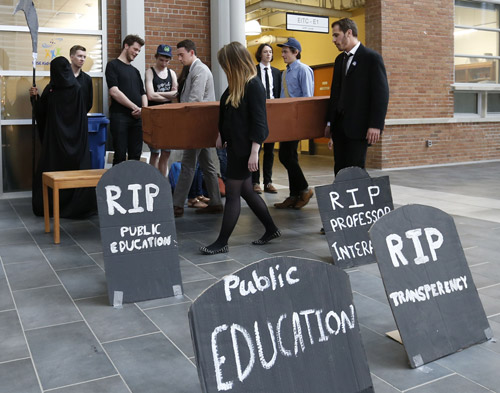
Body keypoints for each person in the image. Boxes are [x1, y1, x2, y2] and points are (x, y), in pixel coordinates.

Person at [200, 42, 280, 255]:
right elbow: (226, 114)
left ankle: (222, 241)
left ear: (234, 63)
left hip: (245, 150)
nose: (224, 68)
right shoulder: (235, 86)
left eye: (225, 64)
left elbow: (260, 123)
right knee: (247, 192)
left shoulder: (254, 85)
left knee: (234, 194)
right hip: (235, 147)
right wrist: (220, 134)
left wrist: (255, 151)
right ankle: (271, 229)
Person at [30, 56, 96, 217]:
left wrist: (35, 98)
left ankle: (52, 206)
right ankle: (75, 207)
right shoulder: (77, 88)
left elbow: (42, 112)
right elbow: (83, 114)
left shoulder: (51, 89)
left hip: (55, 144)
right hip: (77, 143)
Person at [325, 18, 389, 175]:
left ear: (349, 33)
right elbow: (335, 93)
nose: (334, 40)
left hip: (359, 128)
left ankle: (359, 199)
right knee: (339, 169)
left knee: (356, 171)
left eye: (336, 35)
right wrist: (329, 122)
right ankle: (344, 199)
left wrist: (376, 125)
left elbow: (381, 94)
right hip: (339, 128)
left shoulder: (371, 58)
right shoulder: (340, 60)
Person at [172, 39, 222, 218]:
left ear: (192, 53)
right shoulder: (192, 70)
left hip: (197, 125)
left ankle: (177, 205)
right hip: (201, 125)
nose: (179, 58)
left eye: (181, 54)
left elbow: (194, 100)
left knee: (187, 165)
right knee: (207, 165)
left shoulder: (199, 70)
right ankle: (215, 202)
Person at [274, 37, 315, 210]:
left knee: (285, 156)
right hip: (286, 120)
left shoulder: (303, 70)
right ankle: (294, 194)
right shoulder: (285, 72)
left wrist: (303, 123)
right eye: (282, 51)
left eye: (285, 51)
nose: (282, 55)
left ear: (295, 52)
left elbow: (307, 98)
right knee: (290, 156)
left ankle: (305, 189)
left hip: (296, 120)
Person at [105, 34, 147, 166]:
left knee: (136, 156)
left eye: (139, 51)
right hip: (120, 118)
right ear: (126, 46)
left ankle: (134, 185)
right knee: (120, 156)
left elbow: (143, 93)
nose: (137, 53)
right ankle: (117, 185)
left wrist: (143, 110)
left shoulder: (135, 71)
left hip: (137, 119)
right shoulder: (112, 65)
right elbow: (114, 91)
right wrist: (135, 107)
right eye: (135, 49)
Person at [145, 44, 178, 176]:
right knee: (155, 152)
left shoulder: (171, 73)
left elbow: (175, 94)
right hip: (154, 117)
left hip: (168, 118)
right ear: (156, 57)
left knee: (166, 152)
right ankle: (153, 181)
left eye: (167, 60)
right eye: (161, 60)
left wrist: (159, 95)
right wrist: (168, 95)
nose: (164, 63)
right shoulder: (150, 72)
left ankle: (163, 182)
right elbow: (150, 95)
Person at [30, 45, 93, 114]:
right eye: (79, 56)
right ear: (71, 57)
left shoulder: (87, 79)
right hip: (60, 119)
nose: (82, 59)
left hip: (78, 119)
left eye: (84, 57)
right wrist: (36, 97)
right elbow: (47, 101)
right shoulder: (61, 77)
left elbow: (88, 103)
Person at [252, 43, 280, 195]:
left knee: (270, 150)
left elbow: (278, 92)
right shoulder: (253, 71)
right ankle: (255, 182)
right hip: (258, 111)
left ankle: (268, 181)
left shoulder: (276, 72)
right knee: (256, 148)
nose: (268, 54)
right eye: (265, 52)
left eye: (270, 52)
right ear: (260, 54)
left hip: (272, 112)